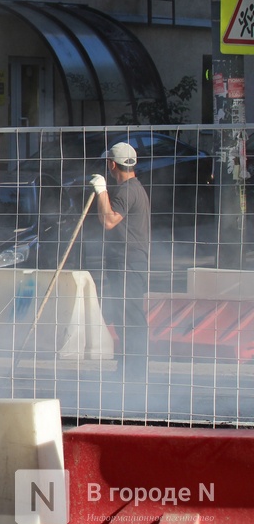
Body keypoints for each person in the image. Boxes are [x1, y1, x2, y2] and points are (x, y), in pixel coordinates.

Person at [89, 141, 151, 380]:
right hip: (127, 261)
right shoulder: (134, 188)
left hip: (128, 262)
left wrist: (102, 190)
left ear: (112, 164)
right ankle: (128, 369)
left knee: (131, 316)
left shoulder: (126, 190)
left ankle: (135, 373)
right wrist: (102, 194)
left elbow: (108, 221)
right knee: (125, 316)